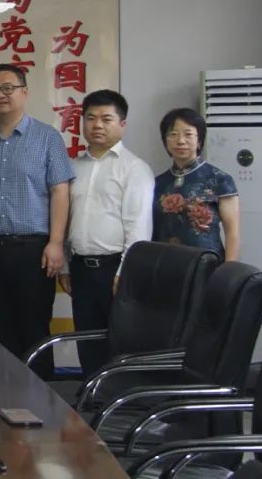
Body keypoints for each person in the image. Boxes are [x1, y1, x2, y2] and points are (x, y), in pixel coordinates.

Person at [0, 63, 74, 364]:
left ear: (25, 92)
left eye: (8, 88)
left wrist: (56, 242)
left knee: (34, 329)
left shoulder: (47, 137)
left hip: (34, 250)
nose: (0, 94)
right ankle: (2, 391)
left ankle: (41, 392)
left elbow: (60, 192)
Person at [58, 90, 153, 375]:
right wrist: (65, 266)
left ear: (122, 124)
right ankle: (91, 395)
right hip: (80, 268)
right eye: (90, 118)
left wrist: (124, 273)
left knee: (118, 340)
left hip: (114, 268)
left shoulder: (134, 169)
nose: (97, 125)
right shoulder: (72, 167)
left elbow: (138, 227)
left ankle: (117, 397)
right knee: (86, 339)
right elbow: (66, 220)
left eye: (106, 119)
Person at [152, 107, 240, 261]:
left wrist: (229, 268)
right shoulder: (157, 183)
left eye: (188, 134)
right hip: (165, 262)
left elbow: (232, 232)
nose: (181, 141)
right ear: (165, 141)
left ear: (199, 141)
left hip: (206, 263)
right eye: (173, 134)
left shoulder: (220, 179)